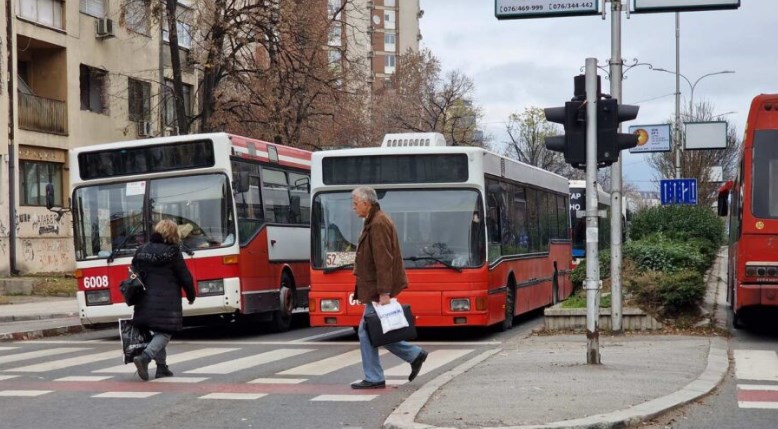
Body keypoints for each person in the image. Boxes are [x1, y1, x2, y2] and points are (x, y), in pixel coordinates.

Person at [350, 186, 427, 389]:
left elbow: (384, 259)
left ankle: (375, 376)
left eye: (355, 203)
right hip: (374, 288)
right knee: (373, 330)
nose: (354, 208)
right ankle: (413, 355)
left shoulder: (378, 223)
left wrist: (383, 291)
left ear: (366, 203)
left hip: (377, 289)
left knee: (368, 330)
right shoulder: (374, 221)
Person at [131, 219, 196, 381]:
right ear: (173, 234)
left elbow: (133, 272)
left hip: (144, 299)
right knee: (165, 332)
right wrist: (191, 295)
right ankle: (145, 357)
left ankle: (162, 368)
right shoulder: (172, 252)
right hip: (166, 301)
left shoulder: (141, 250)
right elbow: (185, 277)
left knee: (158, 331)